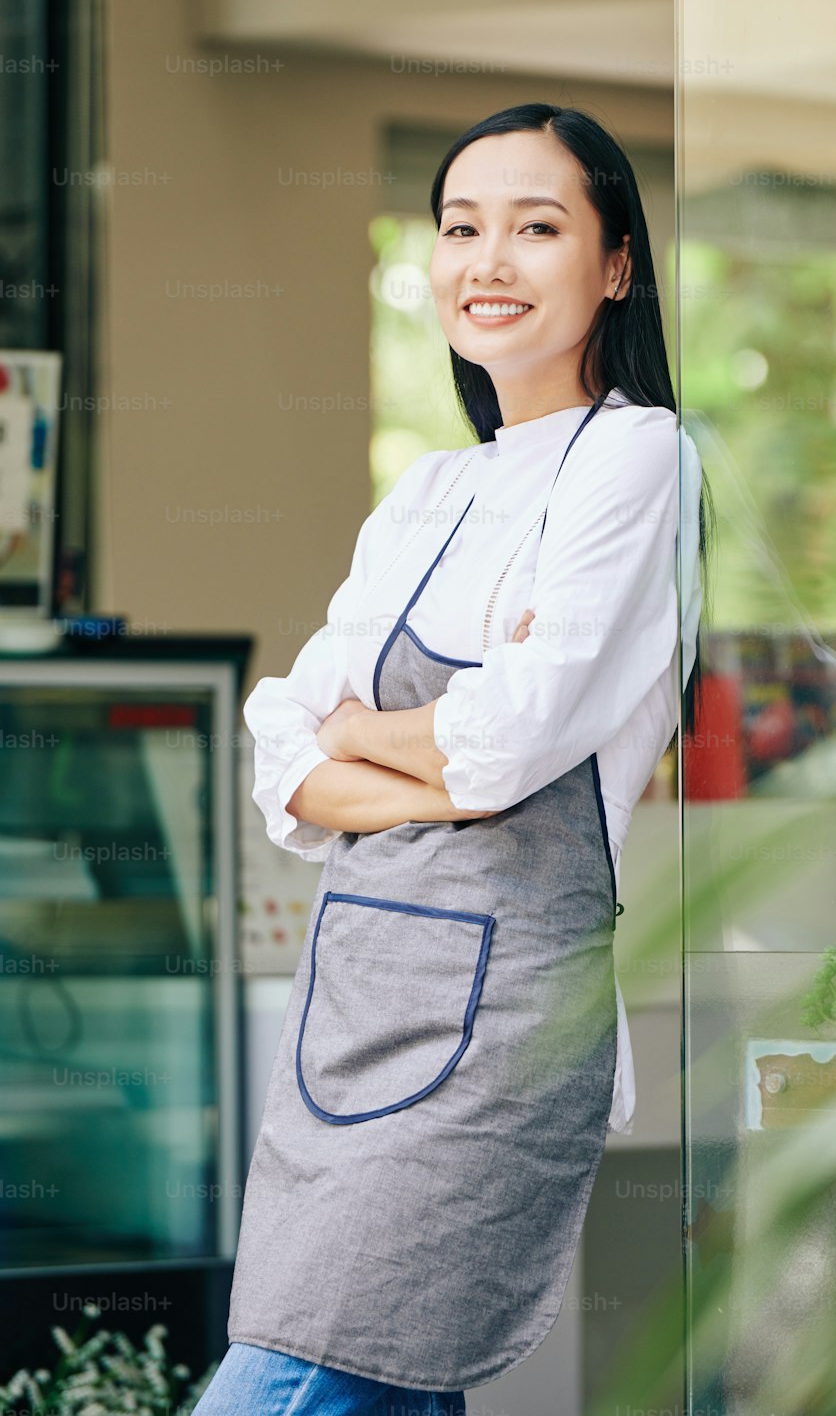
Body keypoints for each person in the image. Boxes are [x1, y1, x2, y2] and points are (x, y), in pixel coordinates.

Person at [194, 101, 710, 1415]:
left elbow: (506, 748)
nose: (488, 260)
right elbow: (279, 763)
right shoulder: (429, 491)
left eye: (536, 227)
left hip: (500, 1042)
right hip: (354, 1019)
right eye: (461, 226)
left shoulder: (637, 457)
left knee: (290, 1385)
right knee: (371, 1383)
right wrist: (413, 751)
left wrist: (364, 736)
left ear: (613, 266)